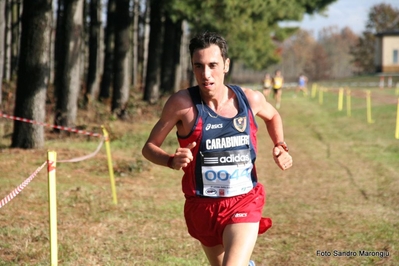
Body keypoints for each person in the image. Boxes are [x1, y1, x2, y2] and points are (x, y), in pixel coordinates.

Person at [142, 32, 293, 266]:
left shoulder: (249, 99)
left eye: (213, 65)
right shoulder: (182, 104)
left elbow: (272, 116)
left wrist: (280, 145)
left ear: (226, 65)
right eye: (199, 66)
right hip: (202, 206)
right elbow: (149, 147)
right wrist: (171, 160)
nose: (206, 74)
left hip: (244, 200)